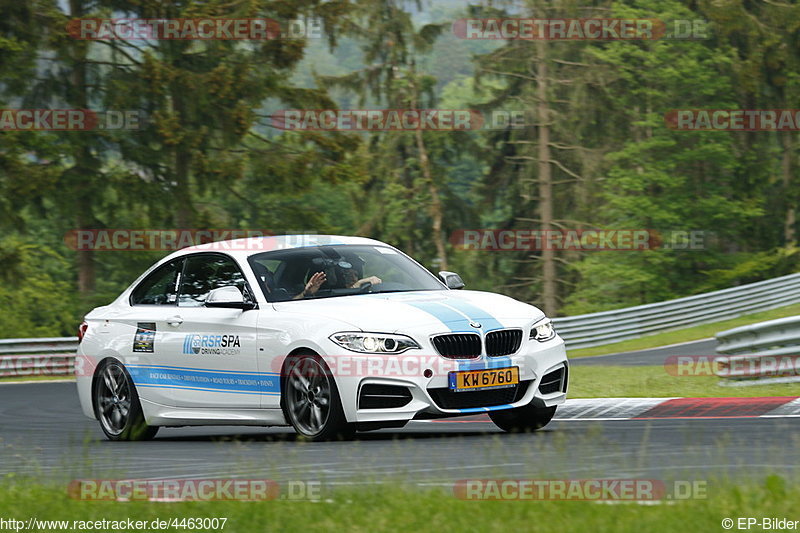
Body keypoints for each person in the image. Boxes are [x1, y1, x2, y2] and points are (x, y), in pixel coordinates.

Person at [298, 267, 381, 298]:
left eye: (355, 274)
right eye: (347, 274)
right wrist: (306, 293)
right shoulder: (325, 297)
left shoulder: (367, 295)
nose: (352, 277)